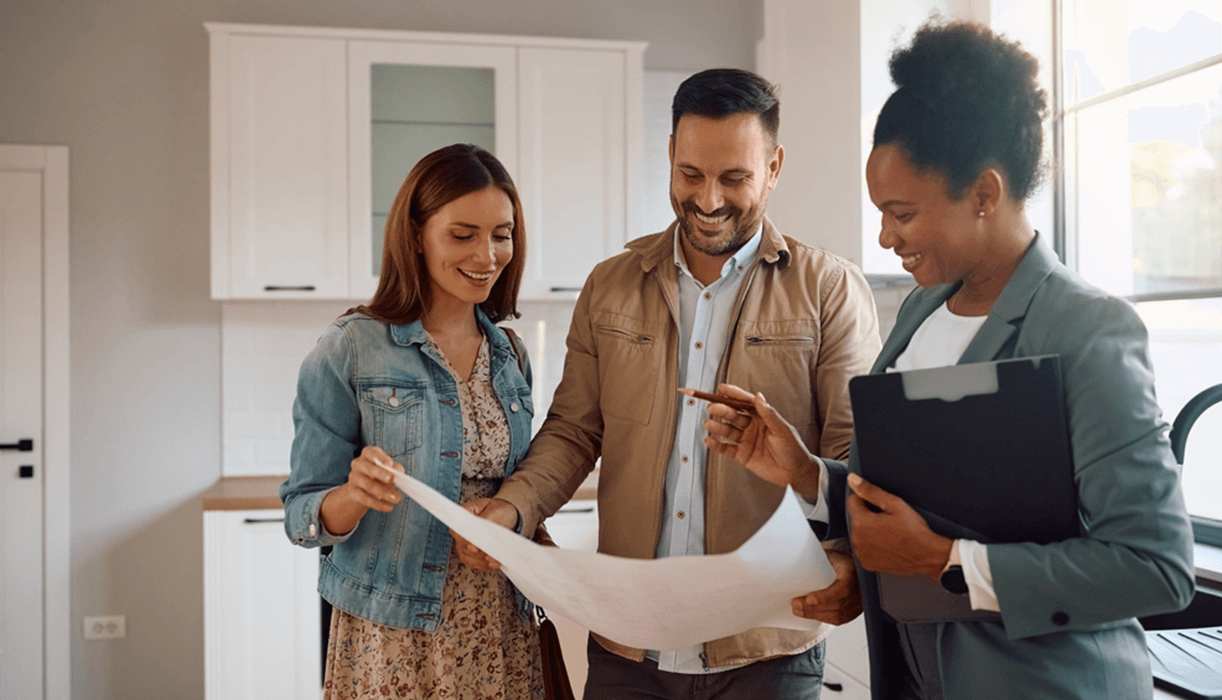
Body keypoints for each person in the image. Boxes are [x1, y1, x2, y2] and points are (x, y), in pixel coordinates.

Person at [703, 20, 1196, 700]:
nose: (885, 237)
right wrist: (807, 474)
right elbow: (922, 504)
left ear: (985, 194)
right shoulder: (919, 313)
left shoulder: (1087, 328)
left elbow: (1154, 566)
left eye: (902, 213)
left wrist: (944, 562)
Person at [459, 68, 882, 699]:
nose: (709, 199)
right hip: (627, 649)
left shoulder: (829, 290)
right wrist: (515, 507)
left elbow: (854, 453)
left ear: (774, 166)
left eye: (734, 178)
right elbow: (575, 429)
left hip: (767, 651)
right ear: (671, 156)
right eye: (691, 174)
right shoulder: (611, 284)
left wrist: (851, 560)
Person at [280, 143, 544, 700]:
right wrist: (355, 493)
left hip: (501, 624)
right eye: (463, 233)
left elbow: (520, 489)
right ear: (417, 234)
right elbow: (301, 512)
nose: (488, 254)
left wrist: (514, 525)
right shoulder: (351, 347)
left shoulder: (511, 355)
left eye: (502, 233)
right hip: (394, 635)